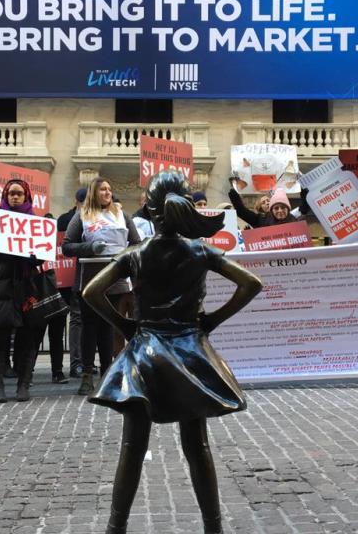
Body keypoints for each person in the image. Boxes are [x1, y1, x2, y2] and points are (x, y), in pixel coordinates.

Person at [82, 171, 263, 534]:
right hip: (189, 352)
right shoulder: (200, 250)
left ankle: (115, 528)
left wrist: (126, 326)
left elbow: (91, 293)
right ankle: (214, 528)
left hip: (144, 352)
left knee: (132, 447)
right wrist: (211, 321)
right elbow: (250, 283)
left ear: (149, 211)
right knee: (197, 446)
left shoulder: (135, 252)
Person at [63, 177, 141, 396]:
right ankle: (87, 375)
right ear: (93, 193)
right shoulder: (82, 216)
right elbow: (67, 246)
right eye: (102, 190)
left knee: (109, 327)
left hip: (115, 281)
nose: (107, 192)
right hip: (90, 282)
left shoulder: (122, 215)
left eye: (109, 189)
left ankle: (107, 375)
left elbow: (136, 243)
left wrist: (124, 256)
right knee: (89, 328)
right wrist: (90, 247)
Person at [0, 179, 48, 403]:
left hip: (28, 285)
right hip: (2, 284)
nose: (15, 197)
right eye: (11, 194)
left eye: (19, 193)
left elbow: (42, 257)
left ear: (27, 196)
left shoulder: (34, 221)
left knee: (28, 337)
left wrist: (37, 248)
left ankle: (23, 385)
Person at [60, 188, 88, 379]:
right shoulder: (64, 219)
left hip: (91, 274)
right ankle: (76, 362)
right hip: (70, 276)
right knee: (76, 318)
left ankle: (88, 362)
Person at [228, 184, 297, 228]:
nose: (267, 203)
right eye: (263, 203)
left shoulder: (292, 218)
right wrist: (234, 193)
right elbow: (241, 211)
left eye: (268, 201)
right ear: (260, 208)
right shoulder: (259, 219)